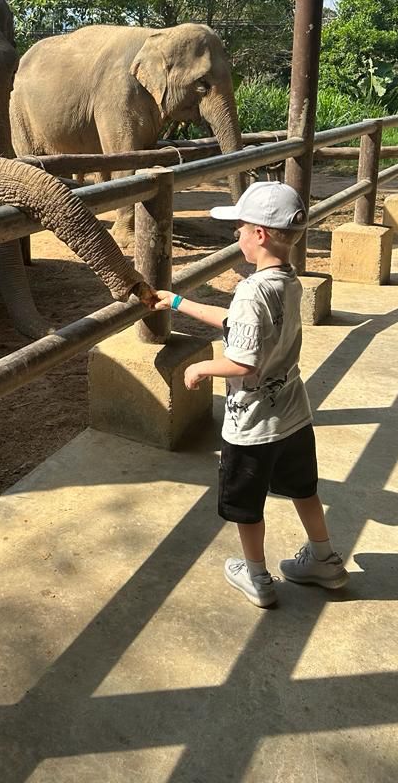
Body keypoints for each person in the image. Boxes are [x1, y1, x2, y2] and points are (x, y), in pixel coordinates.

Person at [154, 181, 348, 608]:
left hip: (251, 426)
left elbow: (244, 363)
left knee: (246, 505)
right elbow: (236, 323)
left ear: (259, 234)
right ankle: (324, 559)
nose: (236, 235)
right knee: (303, 489)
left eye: (240, 227)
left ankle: (256, 575)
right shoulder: (287, 282)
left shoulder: (250, 292)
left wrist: (201, 366)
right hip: (293, 415)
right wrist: (178, 302)